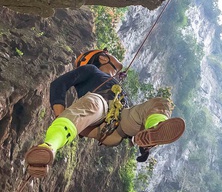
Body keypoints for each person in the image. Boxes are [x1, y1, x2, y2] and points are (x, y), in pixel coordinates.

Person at [24, 49, 185, 178]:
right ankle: (49, 147)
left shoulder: (118, 87)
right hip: (98, 117)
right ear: (102, 58)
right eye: (108, 53)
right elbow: (59, 84)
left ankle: (153, 130)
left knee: (160, 103)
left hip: (120, 122)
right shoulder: (91, 70)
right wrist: (60, 116)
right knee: (94, 102)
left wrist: (144, 145)